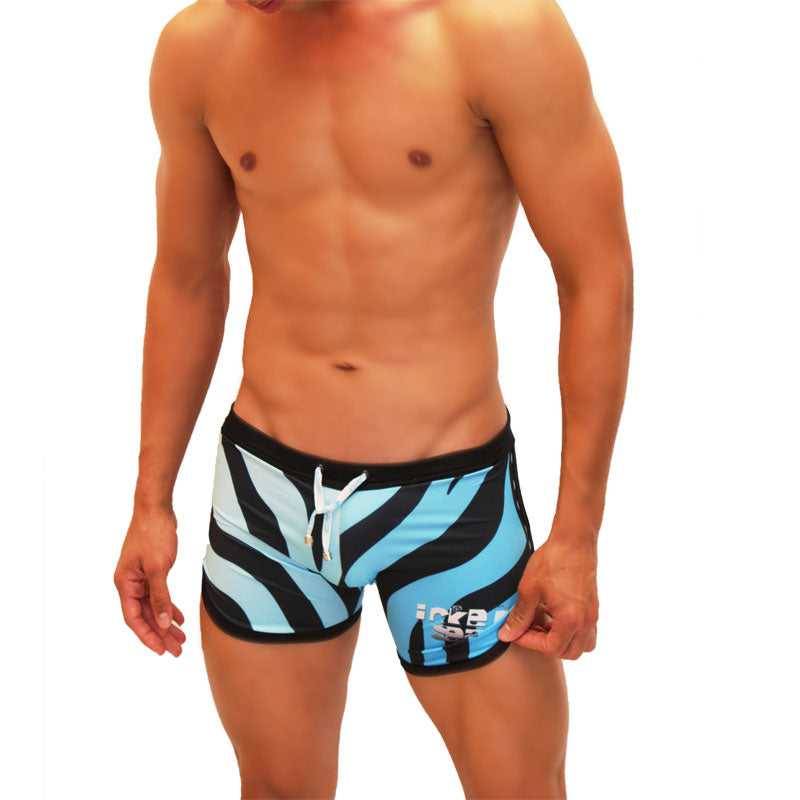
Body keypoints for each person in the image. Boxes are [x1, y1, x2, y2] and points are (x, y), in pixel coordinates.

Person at [113, 0, 633, 797]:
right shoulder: (200, 47)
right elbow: (186, 279)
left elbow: (596, 278)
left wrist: (577, 535)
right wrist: (151, 502)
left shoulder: (499, 31)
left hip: (449, 506)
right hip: (266, 501)